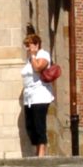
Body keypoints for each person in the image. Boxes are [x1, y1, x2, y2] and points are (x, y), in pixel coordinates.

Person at [18, 26, 55, 157]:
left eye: (29, 45)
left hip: (40, 95)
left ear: (36, 44)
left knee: (39, 124)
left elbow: (38, 67)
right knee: (30, 125)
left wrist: (34, 55)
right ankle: (37, 149)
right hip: (29, 98)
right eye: (27, 46)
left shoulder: (43, 55)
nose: (28, 48)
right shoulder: (29, 60)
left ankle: (41, 152)